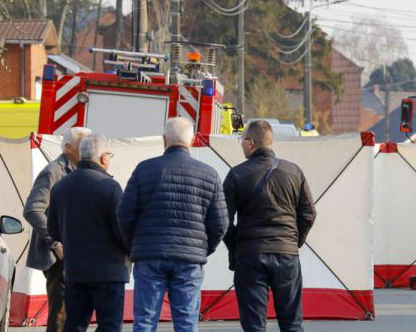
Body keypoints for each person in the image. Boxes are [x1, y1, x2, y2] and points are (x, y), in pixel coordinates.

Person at [117, 117, 228, 332]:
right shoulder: (209, 174)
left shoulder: (144, 170)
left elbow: (124, 215)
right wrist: (202, 248)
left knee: (145, 321)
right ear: (193, 140)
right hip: (189, 259)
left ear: (163, 139)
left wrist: (135, 247)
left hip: (149, 257)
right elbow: (220, 223)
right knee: (186, 322)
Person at [223, 120, 316, 332]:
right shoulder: (294, 172)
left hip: (251, 256)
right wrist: (293, 241)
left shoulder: (237, 174)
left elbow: (223, 220)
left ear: (251, 143)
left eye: (242, 139)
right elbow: (309, 213)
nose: (241, 144)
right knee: (292, 323)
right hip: (287, 256)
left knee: (254, 325)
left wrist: (238, 246)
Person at [47, 134, 129, 332]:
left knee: (74, 324)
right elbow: (122, 229)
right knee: (109, 325)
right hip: (109, 272)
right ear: (102, 158)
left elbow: (53, 229)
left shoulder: (61, 187)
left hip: (75, 270)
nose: (109, 159)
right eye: (109, 155)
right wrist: (130, 251)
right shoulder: (111, 187)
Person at [23, 126, 90, 332]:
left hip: (78, 254)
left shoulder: (81, 170)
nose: (89, 150)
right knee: (60, 316)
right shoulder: (54, 171)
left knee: (76, 312)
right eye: (83, 146)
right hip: (60, 257)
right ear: (69, 148)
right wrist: (55, 243)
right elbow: (33, 209)